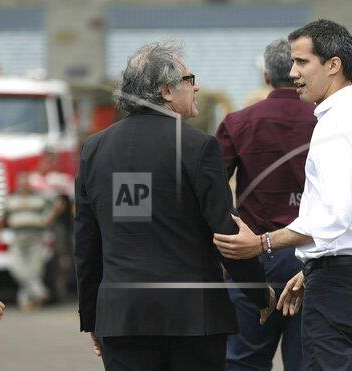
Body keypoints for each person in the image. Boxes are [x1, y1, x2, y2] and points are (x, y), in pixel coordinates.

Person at [74, 40, 275, 371]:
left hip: (123, 320)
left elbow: (86, 242)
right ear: (167, 91)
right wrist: (259, 293)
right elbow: (226, 233)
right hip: (193, 321)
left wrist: (94, 316)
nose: (197, 88)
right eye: (190, 79)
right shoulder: (198, 148)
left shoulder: (95, 149)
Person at [214, 19, 352, 371]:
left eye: (302, 62)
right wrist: (315, 268)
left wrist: (260, 244)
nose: (293, 72)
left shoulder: (334, 126)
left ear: (333, 65)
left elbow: (330, 218)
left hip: (338, 286)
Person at [216, 38, 316, 371]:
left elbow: (214, 194)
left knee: (243, 361)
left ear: (266, 77)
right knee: (308, 361)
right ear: (299, 73)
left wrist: (229, 248)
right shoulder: (326, 122)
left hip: (255, 257)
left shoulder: (237, 123)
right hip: (312, 259)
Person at [2, 172, 59, 310]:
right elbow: (4, 219)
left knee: (34, 271)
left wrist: (56, 212)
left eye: (25, 183)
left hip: (36, 239)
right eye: (21, 183)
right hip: (17, 239)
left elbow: (47, 219)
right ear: (17, 185)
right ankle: (40, 292)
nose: (23, 186)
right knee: (16, 267)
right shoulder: (10, 200)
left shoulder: (39, 200)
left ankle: (26, 302)